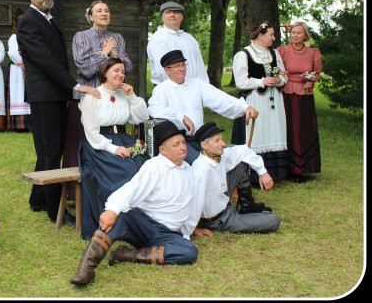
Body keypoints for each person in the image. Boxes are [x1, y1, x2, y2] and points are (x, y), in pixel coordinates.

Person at [70, 120, 203, 286]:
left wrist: (189, 229)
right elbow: (131, 190)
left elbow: (188, 205)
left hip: (168, 235)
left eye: (183, 142)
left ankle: (127, 255)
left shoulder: (188, 170)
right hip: (144, 226)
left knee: (189, 251)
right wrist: (112, 210)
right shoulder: (154, 166)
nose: (183, 147)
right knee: (120, 216)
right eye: (176, 144)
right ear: (162, 150)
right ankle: (86, 269)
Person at [16, 0, 100, 227]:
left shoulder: (48, 19)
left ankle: (38, 198)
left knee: (50, 148)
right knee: (50, 150)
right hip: (45, 95)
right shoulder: (28, 21)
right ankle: (55, 210)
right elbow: (44, 59)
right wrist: (73, 84)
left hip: (55, 94)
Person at [148, 49, 268, 214]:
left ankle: (246, 203)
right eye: (176, 66)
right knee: (203, 165)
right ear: (166, 70)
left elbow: (220, 98)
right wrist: (180, 117)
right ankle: (210, 208)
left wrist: (244, 107)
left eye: (183, 65)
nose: (182, 69)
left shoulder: (196, 85)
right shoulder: (162, 89)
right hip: (179, 142)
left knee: (232, 155)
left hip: (201, 140)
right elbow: (154, 109)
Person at [78, 58, 149, 238]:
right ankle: (117, 224)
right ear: (105, 73)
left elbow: (141, 117)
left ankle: (143, 223)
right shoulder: (92, 96)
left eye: (123, 71)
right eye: (116, 70)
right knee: (126, 171)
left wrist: (132, 97)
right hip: (99, 145)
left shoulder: (124, 94)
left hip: (123, 139)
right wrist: (112, 148)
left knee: (145, 168)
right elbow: (91, 132)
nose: (120, 74)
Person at [63, 0, 133, 170]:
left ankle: (112, 177)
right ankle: (77, 186)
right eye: (99, 11)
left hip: (112, 97)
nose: (104, 13)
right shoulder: (81, 36)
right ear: (90, 16)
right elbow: (86, 70)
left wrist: (115, 53)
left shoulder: (117, 38)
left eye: (107, 10)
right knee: (82, 141)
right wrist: (104, 52)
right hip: (88, 97)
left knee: (115, 141)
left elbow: (127, 67)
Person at [192, 122, 280, 234]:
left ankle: (247, 206)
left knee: (242, 162)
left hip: (224, 201)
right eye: (217, 140)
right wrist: (192, 229)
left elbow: (243, 151)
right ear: (204, 145)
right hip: (220, 220)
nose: (223, 144)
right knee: (273, 220)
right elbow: (194, 201)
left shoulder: (217, 155)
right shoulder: (201, 170)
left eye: (221, 139)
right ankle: (238, 217)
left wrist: (262, 172)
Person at [232, 22, 289, 183]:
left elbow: (284, 76)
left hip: (274, 101)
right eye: (271, 34)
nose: (273, 38)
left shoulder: (274, 53)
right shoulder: (243, 54)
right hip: (255, 101)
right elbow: (241, 82)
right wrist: (262, 81)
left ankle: (275, 173)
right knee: (257, 133)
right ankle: (252, 175)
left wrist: (279, 80)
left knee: (273, 130)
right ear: (260, 35)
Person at [277, 22, 323, 183]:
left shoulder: (313, 53)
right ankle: (287, 168)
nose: (295, 35)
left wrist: (312, 81)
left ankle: (302, 168)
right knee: (289, 129)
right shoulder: (282, 51)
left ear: (305, 35)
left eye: (299, 33)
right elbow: (275, 68)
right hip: (286, 94)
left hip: (305, 95)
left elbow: (317, 73)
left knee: (303, 130)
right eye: (293, 32)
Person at [147, 1, 208, 86]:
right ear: (162, 17)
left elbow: (200, 67)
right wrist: (180, 89)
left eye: (176, 12)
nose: (172, 15)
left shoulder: (190, 39)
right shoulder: (158, 39)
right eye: (168, 12)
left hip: (194, 90)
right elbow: (162, 69)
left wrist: (204, 88)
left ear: (181, 17)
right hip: (169, 90)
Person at [7, 8, 31, 130]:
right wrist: (23, 62)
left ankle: (28, 122)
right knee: (19, 93)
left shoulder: (27, 36)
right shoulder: (14, 37)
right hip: (18, 68)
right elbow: (12, 53)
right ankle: (19, 124)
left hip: (27, 68)